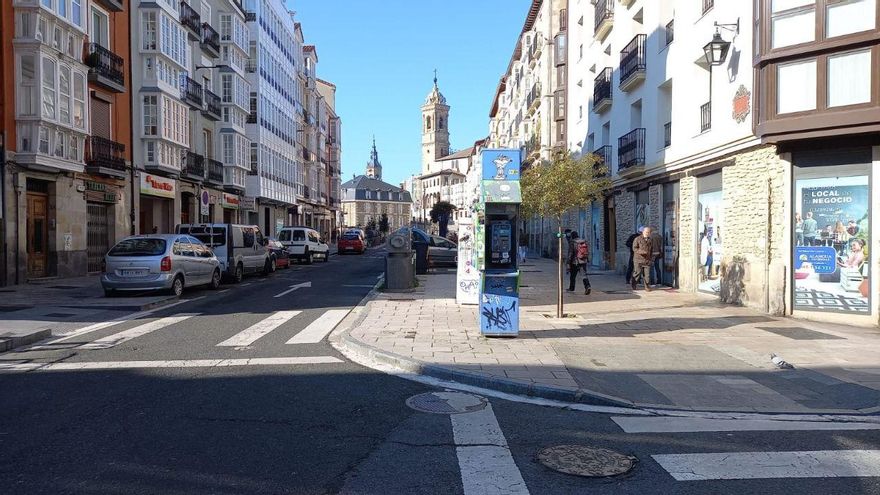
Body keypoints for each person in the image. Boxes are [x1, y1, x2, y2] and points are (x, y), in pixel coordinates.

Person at [631, 227, 654, 291]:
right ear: (643, 232)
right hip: (638, 260)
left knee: (647, 275)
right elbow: (634, 248)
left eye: (649, 232)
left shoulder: (650, 239)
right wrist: (641, 252)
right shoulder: (637, 239)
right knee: (637, 273)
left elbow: (651, 249)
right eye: (646, 232)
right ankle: (634, 284)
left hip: (647, 260)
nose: (647, 233)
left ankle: (647, 286)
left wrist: (651, 257)